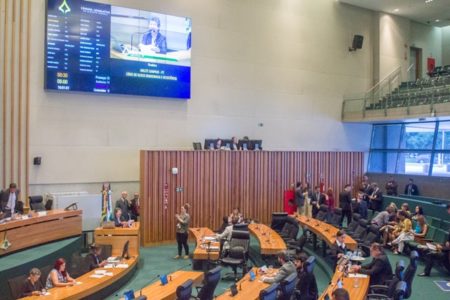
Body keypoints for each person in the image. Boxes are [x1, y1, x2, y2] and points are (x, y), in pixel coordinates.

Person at [418, 204, 450, 277]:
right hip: (446, 249)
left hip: (447, 253)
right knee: (430, 249)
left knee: (431, 254)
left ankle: (426, 272)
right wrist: (443, 245)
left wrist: (442, 247)